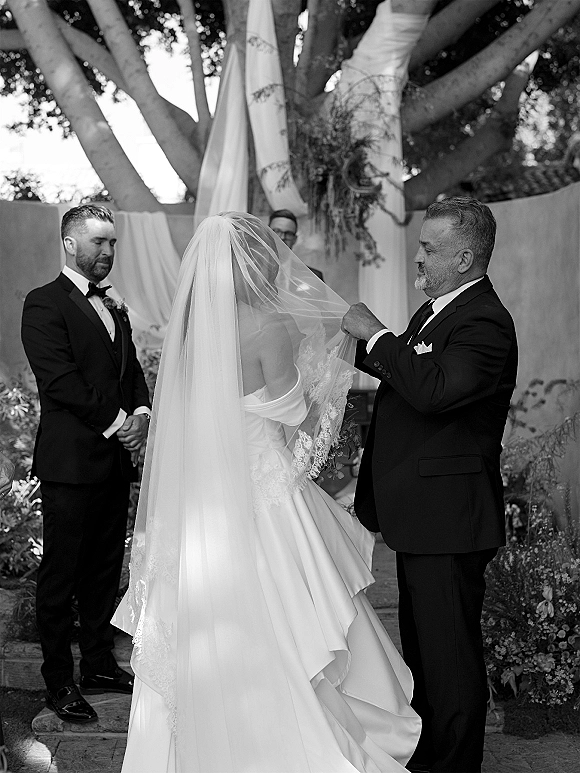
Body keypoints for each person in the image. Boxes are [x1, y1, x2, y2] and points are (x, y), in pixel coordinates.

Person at [112, 212, 421, 772]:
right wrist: (322, 379)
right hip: (263, 487)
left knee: (207, 618)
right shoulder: (269, 325)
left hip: (204, 501)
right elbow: (298, 416)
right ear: (252, 261)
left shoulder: (190, 329)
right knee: (294, 622)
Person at [341, 197, 518, 773]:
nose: (416, 257)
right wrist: (349, 343)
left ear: (464, 256)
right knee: (424, 657)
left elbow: (437, 390)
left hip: (450, 518)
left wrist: (376, 334)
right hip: (423, 516)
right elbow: (410, 379)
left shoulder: (485, 322)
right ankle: (431, 757)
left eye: (428, 249)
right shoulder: (437, 311)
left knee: (450, 662)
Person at [21, 205, 151, 725]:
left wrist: (141, 411)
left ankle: (98, 664)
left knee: (102, 571)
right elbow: (60, 382)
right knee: (62, 575)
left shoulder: (115, 306)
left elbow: (131, 369)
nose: (108, 252)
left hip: (113, 464)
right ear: (70, 244)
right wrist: (122, 422)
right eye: (98, 242)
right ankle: (59, 682)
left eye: (113, 243)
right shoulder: (44, 303)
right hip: (70, 463)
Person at [269, 208, 324, 280]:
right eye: (276, 231)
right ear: (267, 234)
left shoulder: (314, 277)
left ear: (295, 239)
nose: (282, 237)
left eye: (288, 233)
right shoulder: (251, 272)